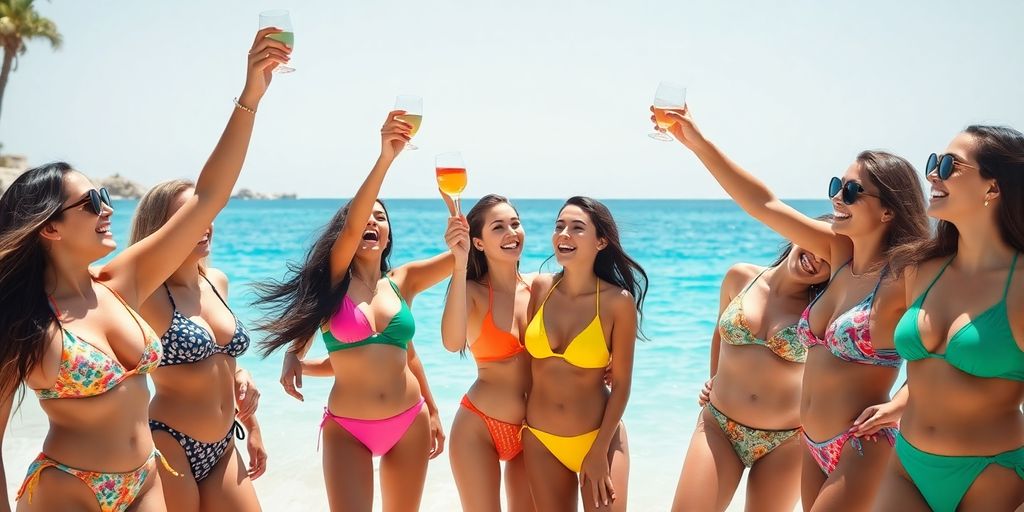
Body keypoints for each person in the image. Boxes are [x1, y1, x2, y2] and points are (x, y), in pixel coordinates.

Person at [0, 28, 288, 512]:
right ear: (49, 229)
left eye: (106, 196)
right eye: (92, 202)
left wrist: (251, 96)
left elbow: (207, 197)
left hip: (145, 479)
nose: (108, 208)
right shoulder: (24, 320)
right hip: (69, 487)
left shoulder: (120, 285)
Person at [653, 105, 928, 510]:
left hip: (859, 442)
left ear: (888, 210)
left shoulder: (905, 274)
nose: (837, 196)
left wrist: (900, 403)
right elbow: (764, 204)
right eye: (837, 184)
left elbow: (943, 345)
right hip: (812, 444)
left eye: (852, 191)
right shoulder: (837, 257)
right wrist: (698, 143)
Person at [256, 111, 447, 511]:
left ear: (389, 231)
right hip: (347, 428)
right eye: (365, 217)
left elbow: (464, 257)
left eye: (381, 217)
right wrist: (386, 158)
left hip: (408, 420)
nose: (372, 222)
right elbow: (347, 360)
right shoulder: (334, 280)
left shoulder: (403, 281)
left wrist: (432, 409)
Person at [869, 126, 1024, 511]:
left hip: (990, 473)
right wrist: (899, 402)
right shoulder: (920, 269)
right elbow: (930, 366)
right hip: (907, 465)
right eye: (933, 163)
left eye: (949, 165)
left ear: (993, 188)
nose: (933, 174)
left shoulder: (1020, 286)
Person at [130, 180, 268, 511]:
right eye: (189, 215)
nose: (204, 225)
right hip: (170, 443)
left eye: (205, 213)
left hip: (223, 445)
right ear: (163, 228)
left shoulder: (215, 280)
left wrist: (253, 426)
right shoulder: (146, 295)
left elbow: (222, 360)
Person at [672, 233, 831, 512]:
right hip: (719, 426)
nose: (816, 258)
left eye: (828, 258)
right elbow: (719, 334)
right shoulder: (740, 276)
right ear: (797, 234)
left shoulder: (822, 309)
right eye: (816, 245)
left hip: (786, 442)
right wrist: (715, 380)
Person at [521, 196, 645, 511]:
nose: (564, 234)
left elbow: (622, 385)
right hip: (540, 439)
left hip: (598, 438)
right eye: (559, 226)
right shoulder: (540, 288)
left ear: (600, 241)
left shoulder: (619, 301)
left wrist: (599, 450)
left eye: (577, 228)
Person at [440, 194, 536, 512]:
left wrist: (609, 362)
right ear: (478, 243)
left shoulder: (542, 288)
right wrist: (458, 262)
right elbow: (452, 342)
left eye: (515, 223)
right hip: (478, 429)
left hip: (534, 430)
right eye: (498, 227)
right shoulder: (473, 292)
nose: (511, 232)